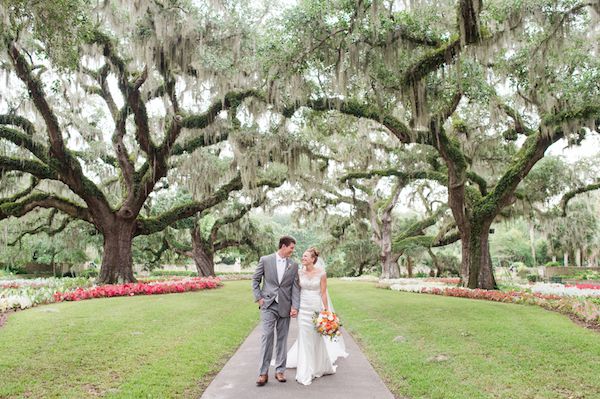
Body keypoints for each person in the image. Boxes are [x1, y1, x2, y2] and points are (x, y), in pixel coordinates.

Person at [286, 247, 349, 385]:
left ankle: (318, 365)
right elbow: (295, 291)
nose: (303, 258)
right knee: (304, 337)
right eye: (303, 256)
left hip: (315, 308)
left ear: (313, 259)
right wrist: (294, 307)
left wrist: (327, 311)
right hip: (303, 309)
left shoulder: (321, 274)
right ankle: (305, 370)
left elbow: (323, 293)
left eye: (306, 256)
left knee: (315, 338)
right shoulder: (298, 273)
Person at [252, 235, 300, 386]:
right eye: (291, 247)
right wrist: (258, 297)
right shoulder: (265, 260)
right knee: (267, 336)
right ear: (283, 246)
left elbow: (295, 287)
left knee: (282, 338)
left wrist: (295, 306)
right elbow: (255, 279)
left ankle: (280, 371)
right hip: (268, 304)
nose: (293, 250)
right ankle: (263, 373)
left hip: (285, 305)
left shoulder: (293, 264)